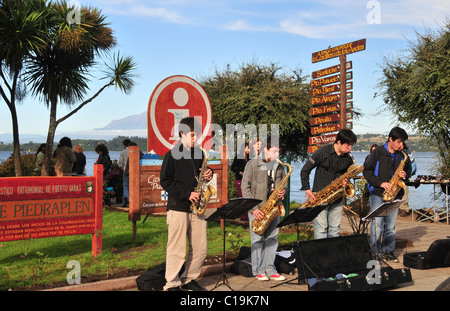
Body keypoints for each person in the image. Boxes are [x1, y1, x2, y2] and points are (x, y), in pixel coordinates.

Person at [160, 117, 213, 291]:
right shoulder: (171, 155)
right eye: (191, 135)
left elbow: (202, 173)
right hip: (178, 207)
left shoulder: (199, 153)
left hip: (197, 208)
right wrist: (186, 194)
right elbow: (165, 181)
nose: (195, 138)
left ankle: (189, 279)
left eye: (196, 135)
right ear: (181, 134)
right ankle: (172, 283)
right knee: (177, 248)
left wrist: (208, 174)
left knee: (200, 249)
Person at [363, 126, 412, 262]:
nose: (402, 145)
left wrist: (405, 174)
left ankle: (388, 252)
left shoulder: (402, 155)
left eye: (402, 143)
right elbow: (367, 172)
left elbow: (408, 170)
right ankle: (376, 252)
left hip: (394, 195)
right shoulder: (377, 152)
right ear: (391, 139)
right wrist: (381, 183)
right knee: (377, 224)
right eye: (399, 142)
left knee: (390, 227)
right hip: (378, 194)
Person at [241, 137, 287, 281]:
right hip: (258, 209)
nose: (277, 155)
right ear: (265, 150)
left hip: (272, 208)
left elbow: (282, 184)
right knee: (257, 239)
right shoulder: (252, 164)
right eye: (274, 151)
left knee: (272, 238)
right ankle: (258, 270)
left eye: (278, 152)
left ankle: (270, 269)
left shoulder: (279, 166)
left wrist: (283, 191)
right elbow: (245, 187)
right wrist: (253, 209)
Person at [300, 129, 358, 239]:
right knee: (321, 229)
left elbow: (346, 175)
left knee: (335, 229)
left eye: (352, 146)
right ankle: (320, 255)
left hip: (337, 197)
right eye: (348, 145)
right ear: (339, 142)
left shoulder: (348, 158)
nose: (350, 148)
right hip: (320, 196)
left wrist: (346, 181)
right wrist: (307, 189)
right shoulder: (322, 151)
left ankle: (332, 255)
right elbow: (305, 170)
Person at [118, 138, 131, 207]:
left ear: (124, 145)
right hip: (135, 172)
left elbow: (120, 163)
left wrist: (122, 168)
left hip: (126, 171)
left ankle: (127, 200)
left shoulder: (123, 152)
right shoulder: (137, 151)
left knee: (126, 186)